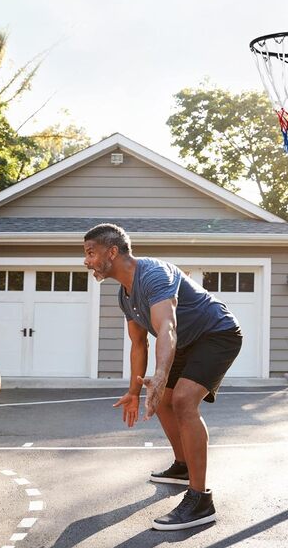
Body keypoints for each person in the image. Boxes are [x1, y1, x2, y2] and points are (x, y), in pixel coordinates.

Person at [83, 223, 242, 530]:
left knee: (182, 401)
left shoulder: (155, 275)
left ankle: (201, 500)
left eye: (91, 253)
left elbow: (166, 328)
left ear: (112, 252)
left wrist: (159, 374)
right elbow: (139, 344)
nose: (86, 261)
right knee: (163, 401)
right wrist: (133, 390)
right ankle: (183, 467)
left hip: (218, 333)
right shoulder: (124, 295)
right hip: (186, 340)